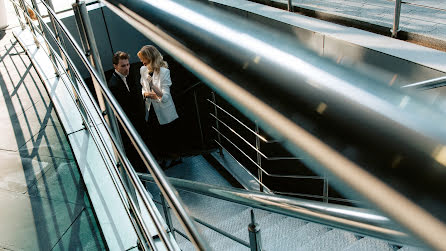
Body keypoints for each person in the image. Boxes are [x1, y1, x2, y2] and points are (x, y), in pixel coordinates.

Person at [137, 45, 181, 167]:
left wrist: (152, 87)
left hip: (164, 109)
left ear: (150, 58)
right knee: (155, 135)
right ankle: (161, 159)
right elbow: (143, 89)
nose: (142, 62)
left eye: (143, 59)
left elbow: (165, 97)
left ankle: (174, 158)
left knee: (168, 136)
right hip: (151, 109)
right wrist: (147, 94)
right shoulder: (142, 70)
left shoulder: (164, 72)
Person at [108, 51, 146, 171]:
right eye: (123, 66)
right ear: (115, 66)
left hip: (136, 126)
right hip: (128, 130)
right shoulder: (113, 85)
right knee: (136, 160)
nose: (127, 68)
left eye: (128, 64)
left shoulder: (127, 78)